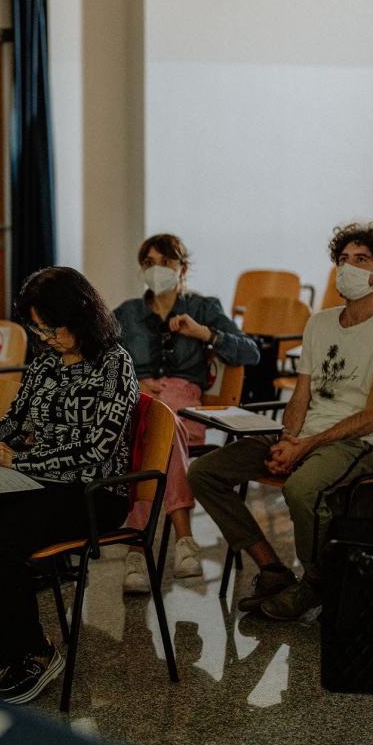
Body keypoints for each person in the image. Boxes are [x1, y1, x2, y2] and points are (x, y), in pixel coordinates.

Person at [0, 267, 139, 705]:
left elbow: (96, 448)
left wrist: (24, 458)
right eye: (37, 329)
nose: (46, 338)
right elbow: (17, 421)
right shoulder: (46, 362)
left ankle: (34, 651)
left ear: (81, 315)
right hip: (32, 480)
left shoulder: (115, 366)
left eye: (51, 328)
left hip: (92, 493)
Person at [188, 221, 373, 621]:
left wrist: (304, 448)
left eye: (361, 260)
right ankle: (273, 570)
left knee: (300, 488)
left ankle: (315, 582)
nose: (348, 268)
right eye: (343, 259)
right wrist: (287, 438)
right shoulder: (319, 323)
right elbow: (301, 394)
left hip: (357, 443)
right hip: (303, 436)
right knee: (205, 471)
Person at [114, 234, 259, 592]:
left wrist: (205, 334)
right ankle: (184, 541)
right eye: (148, 263)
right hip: (140, 399)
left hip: (186, 400)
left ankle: (136, 549)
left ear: (183, 268)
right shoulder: (127, 313)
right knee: (151, 429)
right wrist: (134, 382)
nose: (156, 270)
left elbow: (250, 352)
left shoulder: (203, 307)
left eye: (165, 262)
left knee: (159, 429)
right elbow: (105, 362)